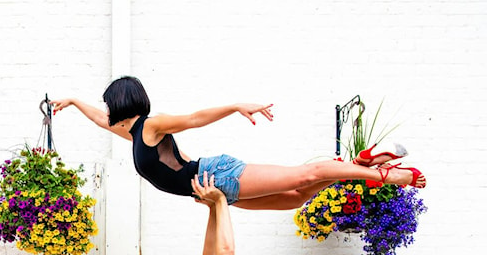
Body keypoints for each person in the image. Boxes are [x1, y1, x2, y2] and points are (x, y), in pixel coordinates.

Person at [52, 76, 425, 210]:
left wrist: (234, 106)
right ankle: (360, 165)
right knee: (297, 199)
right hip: (214, 191)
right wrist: (71, 102)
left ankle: (387, 175)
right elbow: (103, 123)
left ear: (121, 100)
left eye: (107, 102)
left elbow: (195, 118)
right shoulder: (133, 133)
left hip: (216, 175)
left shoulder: (151, 126)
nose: (105, 109)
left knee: (302, 175)